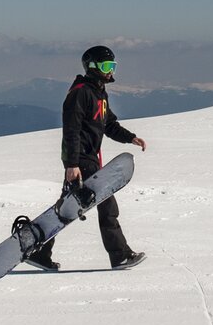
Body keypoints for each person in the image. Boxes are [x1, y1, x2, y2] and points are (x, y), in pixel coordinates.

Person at [25, 45, 148, 271]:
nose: (110, 71)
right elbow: (71, 130)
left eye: (113, 66)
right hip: (81, 160)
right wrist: (72, 165)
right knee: (107, 206)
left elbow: (109, 125)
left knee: (66, 210)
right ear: (92, 66)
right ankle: (120, 256)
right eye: (106, 66)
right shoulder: (80, 93)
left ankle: (40, 253)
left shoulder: (99, 93)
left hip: (88, 159)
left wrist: (130, 138)